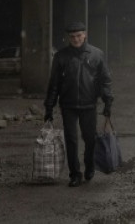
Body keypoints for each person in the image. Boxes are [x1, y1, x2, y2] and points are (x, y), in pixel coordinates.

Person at [44, 21, 113, 187]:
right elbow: (54, 84)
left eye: (79, 35)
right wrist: (49, 107)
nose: (76, 39)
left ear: (85, 35)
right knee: (71, 140)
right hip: (68, 105)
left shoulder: (96, 54)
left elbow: (105, 81)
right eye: (72, 36)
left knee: (90, 139)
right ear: (68, 37)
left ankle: (89, 166)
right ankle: (75, 174)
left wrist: (108, 101)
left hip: (89, 105)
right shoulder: (61, 56)